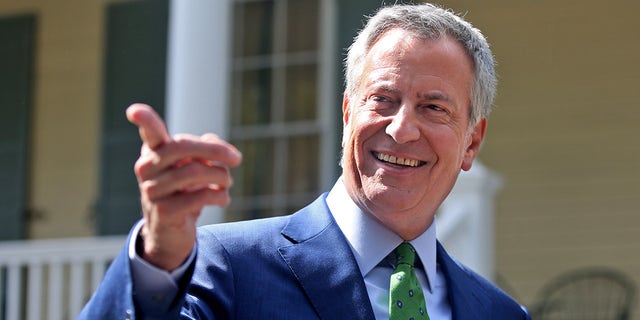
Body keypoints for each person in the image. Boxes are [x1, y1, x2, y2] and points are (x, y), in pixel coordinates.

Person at [79, 3, 530, 319]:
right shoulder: (227, 267)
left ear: (472, 142)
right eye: (383, 99)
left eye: (433, 107)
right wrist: (158, 254)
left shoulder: (499, 312)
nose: (400, 129)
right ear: (348, 112)